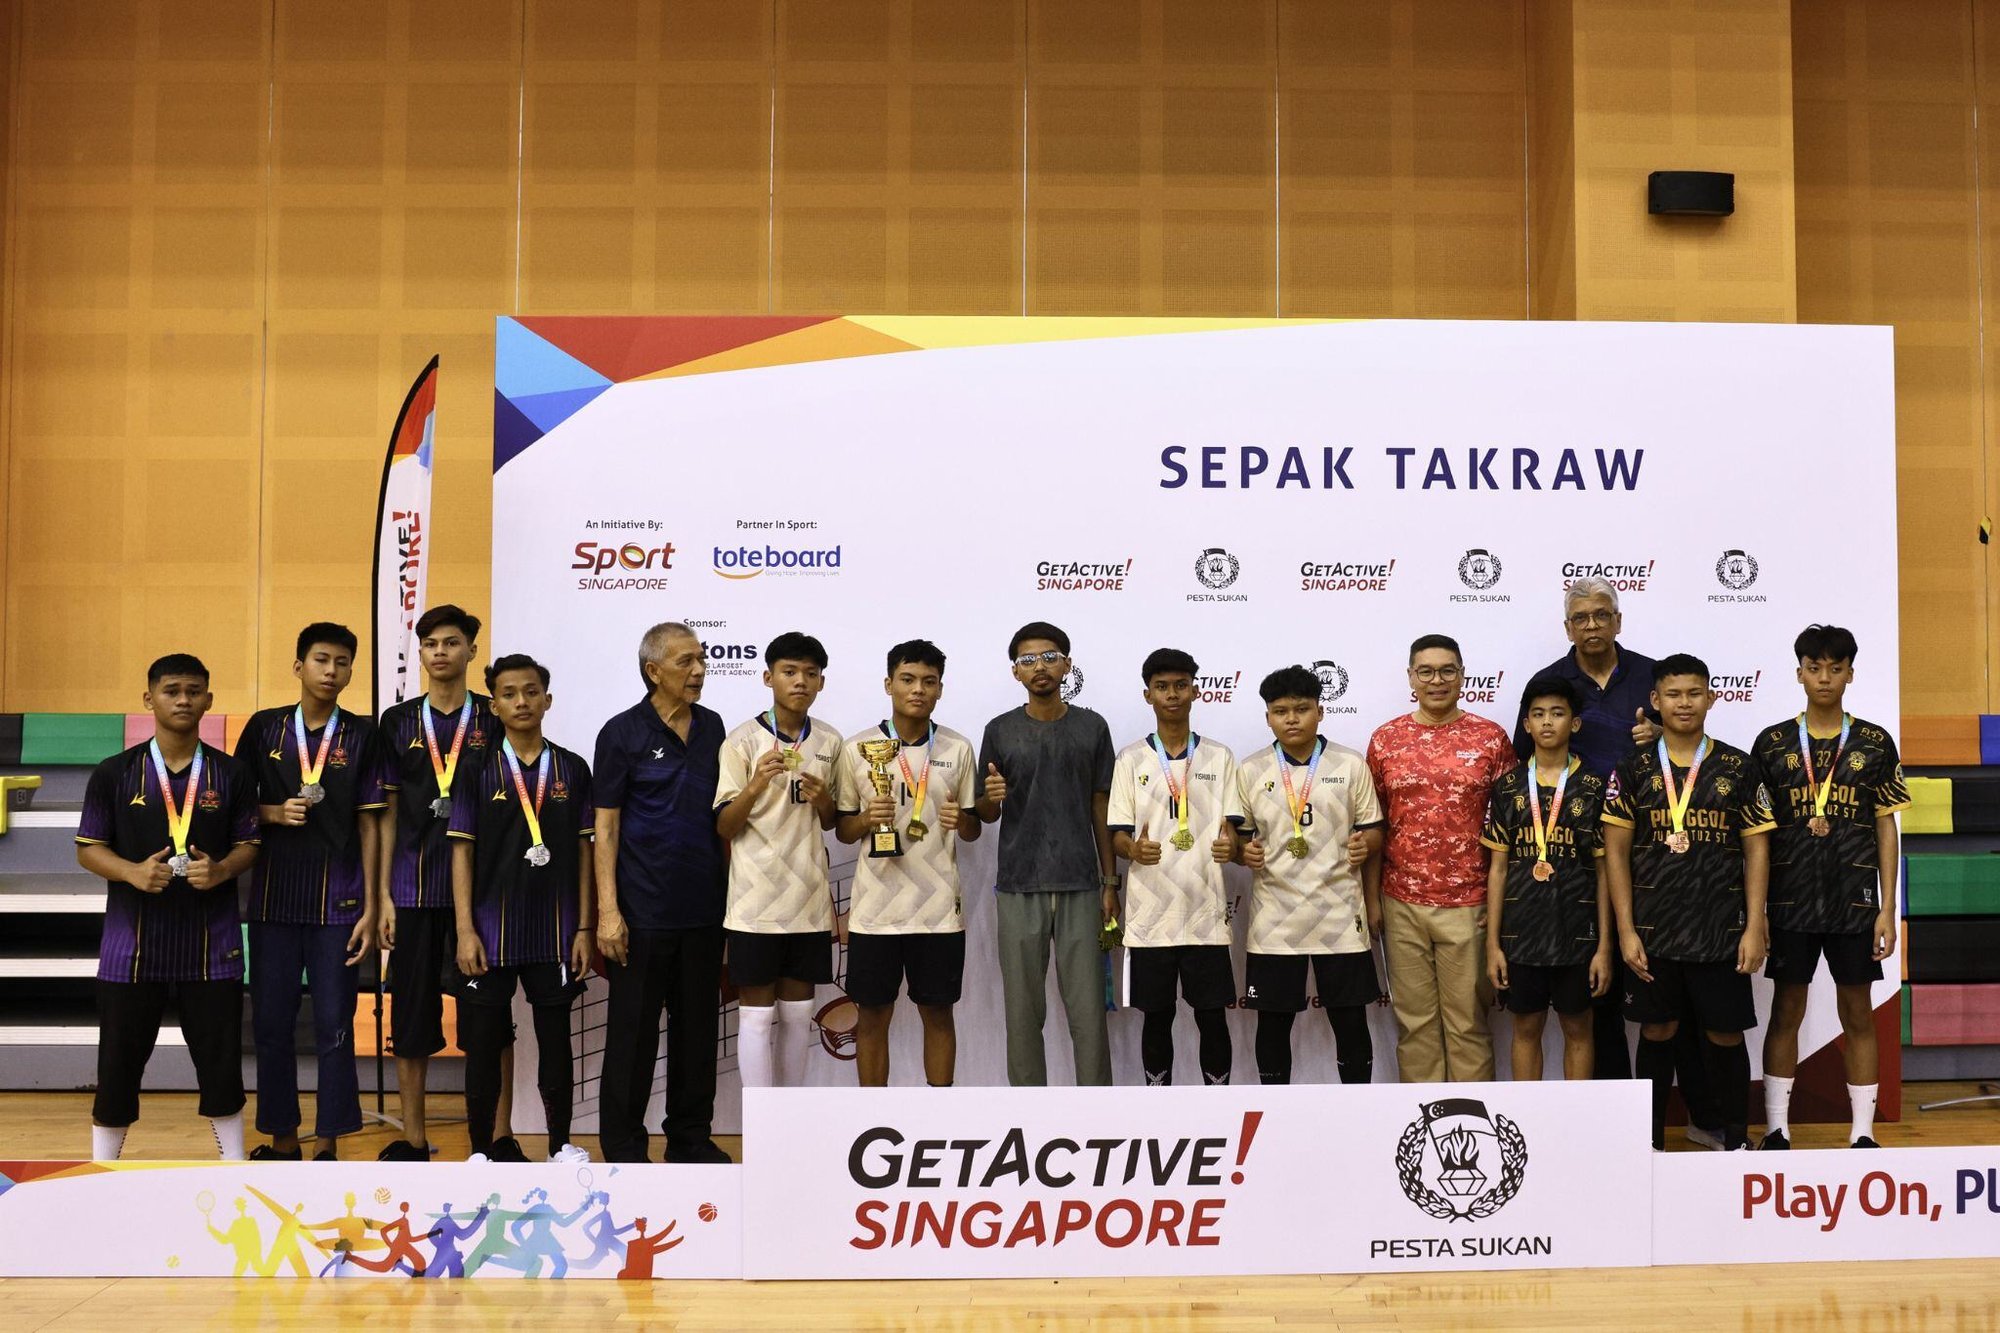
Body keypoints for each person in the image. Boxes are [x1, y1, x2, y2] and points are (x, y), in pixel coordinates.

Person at [76, 653, 259, 1161]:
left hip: (213, 948)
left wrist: (222, 870)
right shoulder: (114, 774)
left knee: (222, 1066)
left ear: (209, 700)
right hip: (130, 951)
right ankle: (103, 1168)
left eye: (194, 690)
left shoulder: (232, 773)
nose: (183, 699)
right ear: (149, 699)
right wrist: (132, 871)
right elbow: (88, 847)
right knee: (117, 1067)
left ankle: (234, 1166)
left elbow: (251, 844)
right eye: (172, 689)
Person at [1602, 653, 1775, 1151]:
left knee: (1725, 1034)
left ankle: (1737, 1140)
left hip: (1721, 929)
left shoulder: (1739, 766)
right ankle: (1650, 1144)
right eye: (1673, 694)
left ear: (1711, 698)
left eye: (1694, 693)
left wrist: (1754, 924)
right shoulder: (1632, 769)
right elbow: (1615, 852)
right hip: (1652, 930)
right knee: (1657, 1032)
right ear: (1655, 701)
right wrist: (1626, 929)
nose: (1684, 703)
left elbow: (1756, 848)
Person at [1752, 625, 1909, 1149]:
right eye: (1814, 668)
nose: (1824, 678)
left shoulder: (1874, 741)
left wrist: (1888, 908)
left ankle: (1862, 1133)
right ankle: (1777, 1128)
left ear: (1850, 674)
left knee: (1858, 1010)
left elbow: (1886, 825)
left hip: (1855, 901)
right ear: (1799, 673)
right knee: (1786, 1010)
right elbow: (1759, 835)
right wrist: (1761, 913)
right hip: (1790, 901)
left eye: (1835, 668)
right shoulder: (1772, 743)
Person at [236, 623, 386, 1160]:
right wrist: (272, 812)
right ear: (298, 666)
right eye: (321, 659)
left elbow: (371, 823)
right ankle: (281, 1141)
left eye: (343, 662)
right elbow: (231, 807)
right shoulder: (263, 729)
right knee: (272, 1023)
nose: (331, 670)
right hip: (273, 901)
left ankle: (327, 1144)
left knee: (334, 1024)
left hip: (338, 904)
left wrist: (372, 905)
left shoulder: (364, 735)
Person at [448, 654, 594, 1163]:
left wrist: (584, 925)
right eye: (509, 694)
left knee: (556, 1041)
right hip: (488, 931)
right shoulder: (474, 768)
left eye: (531, 692)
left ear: (547, 700)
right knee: (484, 1043)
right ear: (495, 705)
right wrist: (465, 929)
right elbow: (461, 851)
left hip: (555, 930)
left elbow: (583, 853)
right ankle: (479, 1151)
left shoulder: (573, 768)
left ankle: (561, 1147)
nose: (521, 702)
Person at [375, 604, 508, 1162]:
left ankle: (498, 1138)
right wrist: (381, 894)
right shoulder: (398, 721)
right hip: (410, 891)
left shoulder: (495, 717)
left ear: (471, 651)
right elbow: (384, 810)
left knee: (490, 1020)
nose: (439, 652)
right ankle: (413, 1137)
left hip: (479, 897)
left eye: (451, 642)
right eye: (429, 643)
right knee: (410, 1019)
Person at [593, 622, 731, 1164]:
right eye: (685, 662)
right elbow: (605, 827)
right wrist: (608, 911)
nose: (698, 670)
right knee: (632, 1037)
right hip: (641, 912)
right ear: (654, 670)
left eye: (701, 660)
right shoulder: (621, 732)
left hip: (703, 911)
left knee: (698, 1036)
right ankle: (625, 1147)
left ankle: (690, 1140)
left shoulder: (715, 727)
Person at [1365, 633, 1516, 1082]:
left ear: (1463, 676)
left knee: (1468, 1022)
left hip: (1470, 902)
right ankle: (1423, 1120)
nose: (1437, 680)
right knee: (1415, 1025)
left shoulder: (1490, 739)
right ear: (1411, 677)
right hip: (1401, 901)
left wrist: (1499, 904)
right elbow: (1374, 826)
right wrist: (1372, 900)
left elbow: (1511, 827)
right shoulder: (1386, 739)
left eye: (1447, 670)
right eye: (1426, 671)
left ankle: (1474, 1122)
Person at [976, 622, 1118, 1087]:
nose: (1040, 667)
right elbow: (986, 814)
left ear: (1067, 665)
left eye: (1050, 656)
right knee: (1022, 1014)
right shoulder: (999, 730)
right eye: (1028, 660)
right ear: (1016, 672)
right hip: (1018, 886)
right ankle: (1028, 1114)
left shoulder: (1092, 727)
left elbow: (1102, 806)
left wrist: (1109, 882)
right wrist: (991, 798)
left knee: (1089, 1017)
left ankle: (1097, 1114)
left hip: (1081, 883)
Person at [833, 639, 981, 1087]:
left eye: (928, 682)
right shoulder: (857, 747)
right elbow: (842, 830)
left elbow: (973, 828)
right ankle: (872, 1119)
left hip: (937, 913)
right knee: (873, 1016)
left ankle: (937, 1119)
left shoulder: (957, 748)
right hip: (875, 912)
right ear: (889, 684)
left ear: (940, 689)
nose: (918, 689)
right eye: (908, 679)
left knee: (937, 1014)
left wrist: (963, 821)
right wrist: (865, 820)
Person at [1234, 666, 1384, 1085]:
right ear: (1267, 718)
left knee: (1350, 1019)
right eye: (1280, 711)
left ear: (1320, 711)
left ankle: (1356, 1104)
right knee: (1273, 1022)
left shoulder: (1350, 764)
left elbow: (1373, 829)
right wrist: (1243, 852)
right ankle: (1272, 1108)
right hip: (1275, 918)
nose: (1292, 719)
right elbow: (1238, 838)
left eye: (1302, 709)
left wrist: (1367, 843)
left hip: (1339, 912)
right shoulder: (1250, 770)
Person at [715, 631, 843, 1088]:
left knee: (798, 1014)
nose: (800, 682)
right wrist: (754, 786)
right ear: (769, 677)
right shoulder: (742, 740)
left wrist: (825, 797)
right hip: (754, 903)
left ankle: (792, 1119)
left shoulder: (830, 741)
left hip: (807, 900)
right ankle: (762, 1124)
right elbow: (724, 827)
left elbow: (832, 822)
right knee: (755, 1018)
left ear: (821, 683)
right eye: (789, 672)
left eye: (810, 674)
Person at [1108, 649, 1242, 1086]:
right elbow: (1118, 834)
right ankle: (1158, 1106)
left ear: (1195, 691)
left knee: (1211, 1016)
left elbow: (1235, 832)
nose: (1172, 694)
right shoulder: (1130, 759)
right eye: (1162, 686)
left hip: (1205, 913)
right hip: (1151, 916)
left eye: (1181, 685)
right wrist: (1132, 850)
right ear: (1148, 694)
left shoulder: (1220, 757)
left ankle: (1217, 1102)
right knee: (1157, 1017)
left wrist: (1231, 846)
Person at [1482, 673, 1613, 1081]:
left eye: (1558, 713)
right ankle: (1528, 1122)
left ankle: (1574, 1123)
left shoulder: (1594, 787)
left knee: (1579, 1029)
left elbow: (1606, 872)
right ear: (1526, 724)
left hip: (1578, 934)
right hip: (1521, 937)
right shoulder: (1506, 787)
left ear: (1574, 723)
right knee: (1525, 1030)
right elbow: (1498, 868)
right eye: (1538, 714)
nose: (1547, 722)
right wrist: (1493, 945)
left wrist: (1604, 948)